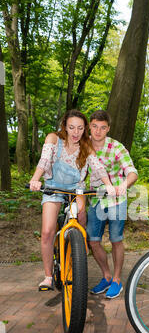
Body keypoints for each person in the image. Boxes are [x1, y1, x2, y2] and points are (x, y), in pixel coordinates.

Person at [29, 109, 114, 291]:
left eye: (80, 128)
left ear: (85, 129)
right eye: (72, 127)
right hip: (53, 187)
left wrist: (108, 184)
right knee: (47, 231)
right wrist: (36, 178)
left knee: (81, 216)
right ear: (65, 127)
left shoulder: (86, 145)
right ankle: (48, 277)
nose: (76, 133)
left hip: (76, 188)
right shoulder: (53, 139)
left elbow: (97, 167)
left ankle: (78, 255)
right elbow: (44, 161)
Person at [87, 110, 138, 299]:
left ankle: (117, 280)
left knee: (116, 239)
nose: (98, 131)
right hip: (95, 200)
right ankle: (106, 276)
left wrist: (124, 184)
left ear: (108, 129)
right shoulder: (83, 146)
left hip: (116, 200)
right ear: (89, 126)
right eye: (94, 126)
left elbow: (132, 172)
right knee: (93, 241)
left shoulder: (116, 147)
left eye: (102, 128)